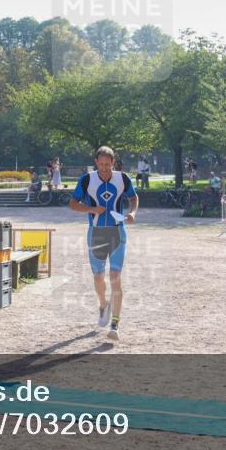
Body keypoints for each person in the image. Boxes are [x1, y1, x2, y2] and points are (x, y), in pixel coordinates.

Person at [69, 146, 139, 342]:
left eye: (108, 165)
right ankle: (103, 305)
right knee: (99, 277)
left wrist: (132, 212)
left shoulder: (123, 179)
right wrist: (92, 209)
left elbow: (133, 197)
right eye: (101, 165)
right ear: (96, 163)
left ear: (113, 163)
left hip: (117, 232)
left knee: (115, 276)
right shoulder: (87, 180)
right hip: (96, 234)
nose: (105, 168)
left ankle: (115, 324)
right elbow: (73, 204)